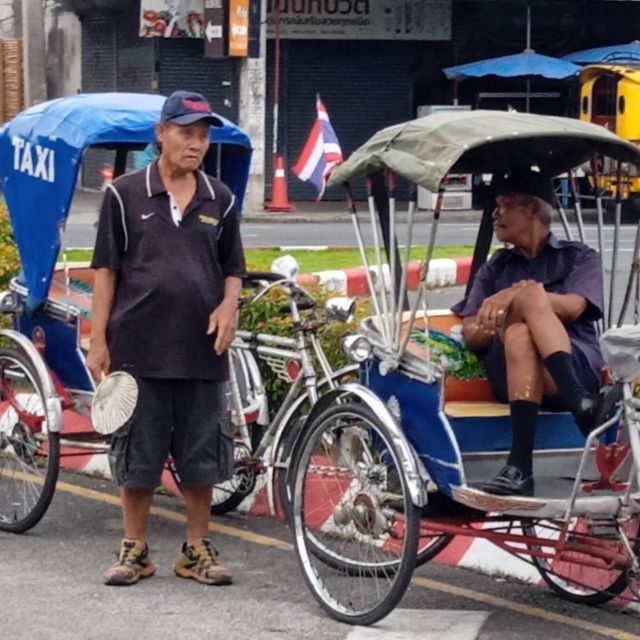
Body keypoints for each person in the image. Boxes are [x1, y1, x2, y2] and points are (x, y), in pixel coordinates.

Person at [87, 90, 245, 586]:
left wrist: (228, 304)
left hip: (202, 349)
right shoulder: (125, 195)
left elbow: (232, 266)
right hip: (139, 348)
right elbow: (106, 271)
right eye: (186, 133)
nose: (196, 144)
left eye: (203, 135)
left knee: (202, 456)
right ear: (161, 134)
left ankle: (194, 549)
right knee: (138, 455)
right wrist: (98, 340)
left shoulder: (219, 198)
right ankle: (135, 549)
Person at [451, 168, 619, 497]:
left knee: (527, 301)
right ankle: (581, 407)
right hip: (512, 375)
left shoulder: (578, 256)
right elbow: (471, 332)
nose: (496, 213)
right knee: (517, 333)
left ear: (532, 209)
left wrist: (515, 297)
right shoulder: (495, 267)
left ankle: (519, 469)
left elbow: (573, 307)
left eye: (506, 204)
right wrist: (512, 308)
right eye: (496, 205)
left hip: (575, 364)